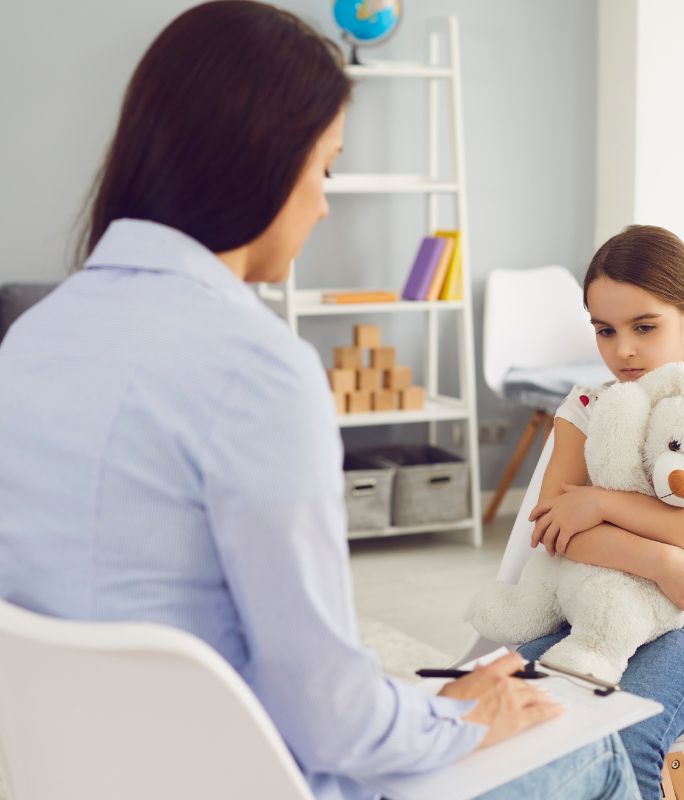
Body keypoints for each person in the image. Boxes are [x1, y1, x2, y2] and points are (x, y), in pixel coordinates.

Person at [0, 2, 641, 799]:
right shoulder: (256, 369)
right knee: (591, 745)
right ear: (264, 162)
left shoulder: (30, 341)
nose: (325, 202)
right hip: (243, 775)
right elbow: (334, 721)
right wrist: (463, 718)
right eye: (326, 166)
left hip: (83, 769)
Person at [521, 224, 684, 800]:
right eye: (605, 330)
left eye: (644, 328)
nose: (622, 348)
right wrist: (661, 559)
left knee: (625, 736)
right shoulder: (582, 409)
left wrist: (601, 503)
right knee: (502, 718)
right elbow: (556, 530)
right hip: (586, 613)